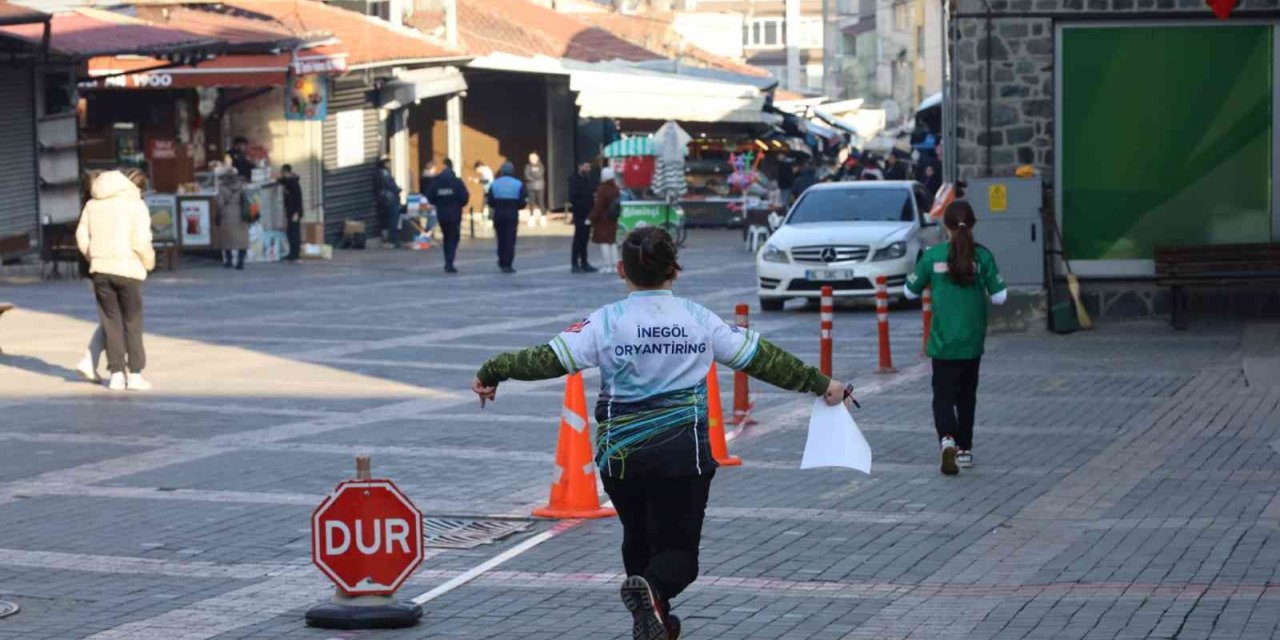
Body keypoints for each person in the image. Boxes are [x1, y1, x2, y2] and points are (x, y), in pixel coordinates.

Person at [470, 227, 852, 640]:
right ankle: (653, 593)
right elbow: (763, 359)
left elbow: (545, 359)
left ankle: (654, 620)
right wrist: (822, 384)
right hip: (681, 456)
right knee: (679, 557)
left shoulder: (606, 321)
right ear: (675, 270)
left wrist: (493, 370)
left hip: (621, 457)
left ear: (622, 269)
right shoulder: (698, 319)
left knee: (638, 537)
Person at [903, 200, 1007, 475]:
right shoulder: (983, 256)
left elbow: (909, 292)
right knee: (967, 396)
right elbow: (1000, 296)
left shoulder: (933, 255)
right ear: (972, 224)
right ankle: (965, 450)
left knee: (943, 396)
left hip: (942, 341)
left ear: (945, 225)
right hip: (972, 341)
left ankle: (946, 438)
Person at [75, 169, 155, 391]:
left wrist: (93, 255)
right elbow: (141, 242)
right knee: (132, 322)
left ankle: (117, 374)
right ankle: (136, 374)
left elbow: (81, 235)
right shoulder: (136, 205)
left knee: (111, 323)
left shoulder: (92, 204)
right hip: (128, 268)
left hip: (101, 269)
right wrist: (148, 262)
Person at [426, 158, 469, 274]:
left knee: (447, 238)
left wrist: (438, 203)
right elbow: (464, 198)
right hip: (455, 214)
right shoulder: (457, 182)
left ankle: (448, 261)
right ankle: (449, 262)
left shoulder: (436, 182)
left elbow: (430, 197)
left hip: (442, 214)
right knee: (453, 238)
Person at [487, 161, 526, 273]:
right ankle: (508, 263)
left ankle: (501, 260)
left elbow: (490, 201)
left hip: (499, 213)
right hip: (512, 213)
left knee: (501, 238)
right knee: (510, 239)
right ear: (512, 171)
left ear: (502, 172)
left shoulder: (494, 184)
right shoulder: (518, 184)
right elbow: (522, 202)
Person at [588, 167, 621, 274]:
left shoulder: (603, 189)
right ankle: (615, 266)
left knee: (604, 243)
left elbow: (598, 206)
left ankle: (607, 265)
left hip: (603, 220)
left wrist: (591, 218)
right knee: (613, 242)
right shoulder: (616, 188)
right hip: (613, 218)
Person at [568, 161, 598, 273]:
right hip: (579, 212)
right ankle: (575, 263)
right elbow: (572, 197)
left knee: (585, 238)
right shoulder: (574, 179)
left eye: (589, 167)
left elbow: (593, 190)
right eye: (586, 166)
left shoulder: (589, 179)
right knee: (578, 238)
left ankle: (584, 262)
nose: (588, 169)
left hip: (588, 212)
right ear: (580, 167)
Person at [216, 171, 249, 270]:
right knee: (242, 240)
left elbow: (220, 203)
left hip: (227, 215)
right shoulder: (241, 186)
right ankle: (240, 262)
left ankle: (229, 261)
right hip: (240, 214)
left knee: (227, 240)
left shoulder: (222, 188)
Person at [277, 164, 303, 262]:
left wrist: (297, 213)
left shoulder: (294, 183)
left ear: (286, 172)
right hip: (290, 212)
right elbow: (282, 181)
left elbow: (298, 199)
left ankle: (296, 255)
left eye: (282, 173)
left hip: (295, 212)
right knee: (290, 232)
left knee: (294, 233)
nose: (281, 174)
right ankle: (292, 254)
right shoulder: (289, 181)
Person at [374, 157, 402, 247]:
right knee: (394, 220)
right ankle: (393, 240)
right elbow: (390, 185)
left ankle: (390, 239)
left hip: (384, 200)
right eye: (388, 163)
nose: (390, 165)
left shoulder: (378, 172)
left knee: (388, 220)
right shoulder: (385, 173)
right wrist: (397, 189)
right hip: (390, 199)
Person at [524, 152, 547, 228]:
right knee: (531, 203)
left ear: (537, 158)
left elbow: (540, 174)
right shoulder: (527, 166)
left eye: (533, 157)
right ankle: (531, 217)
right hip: (530, 187)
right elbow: (527, 175)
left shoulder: (541, 166)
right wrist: (533, 177)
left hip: (539, 186)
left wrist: (533, 175)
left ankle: (543, 217)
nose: (532, 159)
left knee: (541, 202)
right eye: (530, 158)